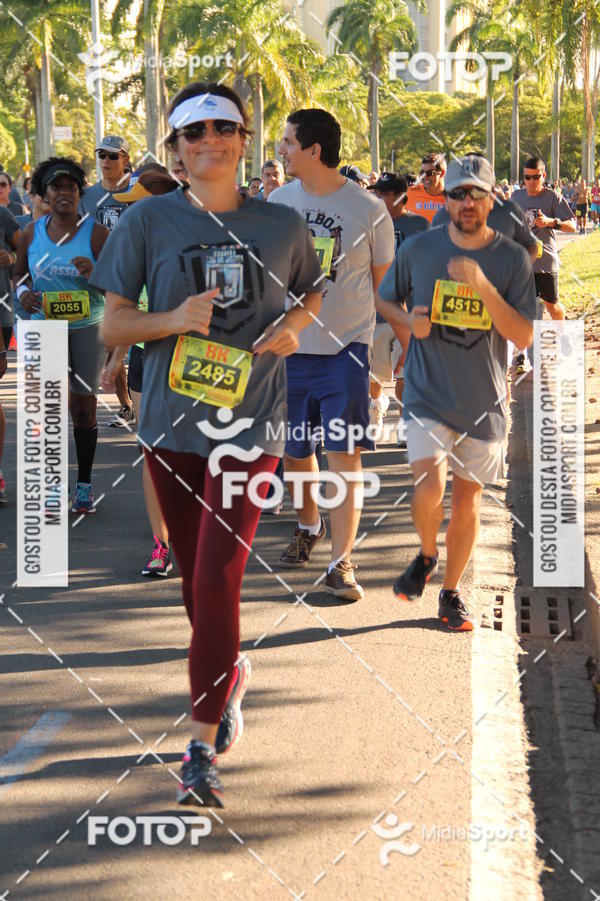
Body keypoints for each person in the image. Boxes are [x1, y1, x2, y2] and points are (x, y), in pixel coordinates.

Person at [90, 81, 323, 807]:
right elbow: (111, 328)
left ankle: (197, 748)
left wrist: (296, 328)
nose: (210, 141)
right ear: (177, 149)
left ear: (244, 139)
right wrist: (172, 319)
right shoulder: (146, 222)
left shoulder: (280, 226)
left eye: (225, 127)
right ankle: (230, 675)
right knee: (197, 584)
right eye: (195, 133)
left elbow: (310, 290)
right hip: (171, 427)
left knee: (221, 578)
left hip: (251, 429)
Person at [376, 154, 536, 631]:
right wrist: (408, 324)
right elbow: (385, 297)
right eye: (457, 194)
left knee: (467, 501)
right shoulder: (420, 249)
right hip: (426, 392)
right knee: (429, 485)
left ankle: (450, 593)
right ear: (444, 198)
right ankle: (427, 552)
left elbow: (523, 335)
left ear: (491, 199)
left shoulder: (510, 258)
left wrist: (483, 286)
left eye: (476, 194)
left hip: (483, 401)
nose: (466, 202)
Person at [271, 108, 394, 600]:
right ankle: (308, 523)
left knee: (346, 455)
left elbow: (385, 291)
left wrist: (385, 362)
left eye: (287, 141)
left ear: (313, 150)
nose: (281, 149)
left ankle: (342, 563)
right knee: (296, 454)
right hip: (289, 349)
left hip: (347, 351)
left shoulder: (368, 210)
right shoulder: (278, 201)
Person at [14, 157, 110, 514]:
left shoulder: (97, 234)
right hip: (45, 327)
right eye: (56, 187)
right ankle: (53, 487)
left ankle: (83, 484)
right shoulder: (29, 234)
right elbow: (21, 276)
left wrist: (95, 272)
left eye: (71, 186)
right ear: (43, 194)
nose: (64, 193)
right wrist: (23, 294)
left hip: (88, 327)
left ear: (80, 193)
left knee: (83, 409)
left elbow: (119, 283)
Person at [102, 164, 178, 577]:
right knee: (153, 452)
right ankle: (161, 544)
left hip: (194, 361)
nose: (128, 213)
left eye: (137, 205)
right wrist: (116, 359)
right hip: (150, 358)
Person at [367, 172, 428, 443]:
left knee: (406, 373)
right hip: (375, 315)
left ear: (400, 197)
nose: (377, 197)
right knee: (373, 378)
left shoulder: (421, 226)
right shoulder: (368, 224)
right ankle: (377, 405)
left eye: (383, 193)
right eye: (376, 192)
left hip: (409, 315)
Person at [80, 134, 135, 426]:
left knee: (136, 345)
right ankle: (127, 405)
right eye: (102, 154)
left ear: (125, 159)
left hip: (134, 279)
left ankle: (142, 403)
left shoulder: (139, 192)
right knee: (110, 344)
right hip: (95, 280)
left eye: (113, 155)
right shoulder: (86, 195)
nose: (106, 160)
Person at [511, 157, 576, 352]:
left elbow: (572, 226)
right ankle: (522, 352)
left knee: (552, 306)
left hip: (546, 262)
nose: (531, 182)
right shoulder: (516, 197)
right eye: (527, 177)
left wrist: (550, 222)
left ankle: (563, 334)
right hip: (522, 264)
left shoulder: (553, 197)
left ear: (543, 175)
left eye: (535, 177)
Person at [404, 153, 447, 222]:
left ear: (442, 173)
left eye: (429, 173)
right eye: (422, 173)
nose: (425, 177)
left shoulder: (453, 197)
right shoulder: (411, 193)